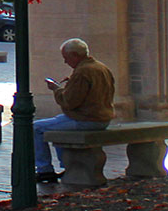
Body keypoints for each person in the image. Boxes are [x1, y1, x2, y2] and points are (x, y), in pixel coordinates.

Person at [34, 38, 114, 184]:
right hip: (102, 118)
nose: (65, 62)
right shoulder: (101, 67)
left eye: (66, 58)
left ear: (75, 55)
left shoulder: (82, 72)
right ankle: (67, 166)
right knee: (57, 125)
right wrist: (69, 85)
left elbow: (70, 102)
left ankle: (44, 169)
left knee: (36, 128)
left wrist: (56, 89)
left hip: (86, 119)